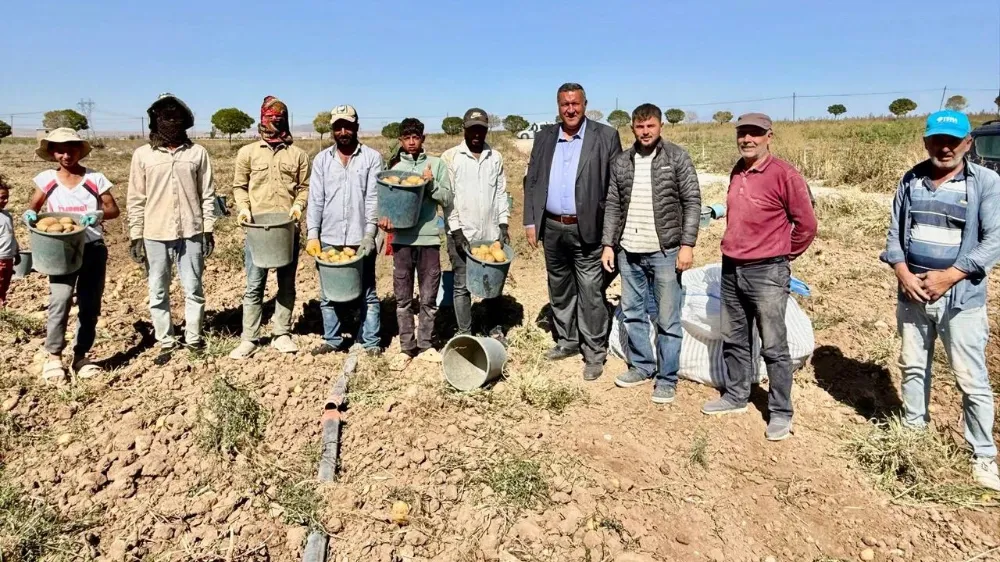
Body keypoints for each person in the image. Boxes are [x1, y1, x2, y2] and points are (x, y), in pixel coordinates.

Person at [881, 110, 1000, 491]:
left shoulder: (986, 182)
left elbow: (994, 241)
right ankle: (914, 435)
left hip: (961, 298)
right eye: (937, 140)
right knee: (913, 367)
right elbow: (894, 235)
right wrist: (903, 273)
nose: (945, 148)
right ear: (926, 142)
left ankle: (983, 454)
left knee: (970, 377)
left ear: (968, 143)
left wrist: (950, 276)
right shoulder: (911, 179)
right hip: (913, 294)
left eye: (953, 141)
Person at [701, 113, 817, 442]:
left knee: (774, 345)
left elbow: (807, 225)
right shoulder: (737, 170)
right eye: (743, 134)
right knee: (734, 337)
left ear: (769, 136)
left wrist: (781, 256)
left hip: (767, 271)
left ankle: (780, 412)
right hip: (731, 267)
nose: (747, 139)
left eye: (755, 134)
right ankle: (736, 396)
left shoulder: (784, 174)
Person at [601, 104, 701, 404]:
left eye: (650, 126)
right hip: (629, 251)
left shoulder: (677, 157)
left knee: (668, 319)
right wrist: (609, 244)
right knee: (633, 313)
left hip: (665, 251)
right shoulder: (622, 161)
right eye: (640, 126)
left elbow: (692, 201)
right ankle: (642, 366)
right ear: (632, 128)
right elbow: (613, 205)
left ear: (660, 127)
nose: (645, 132)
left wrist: (687, 244)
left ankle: (667, 378)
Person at [523, 83, 623, 381]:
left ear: (585, 104)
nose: (570, 109)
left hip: (588, 228)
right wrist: (530, 221)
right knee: (560, 286)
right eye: (565, 104)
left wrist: (611, 235)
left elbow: (616, 188)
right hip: (552, 226)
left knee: (591, 291)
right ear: (558, 106)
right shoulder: (545, 137)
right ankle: (568, 340)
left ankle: (594, 352)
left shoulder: (605, 136)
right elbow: (532, 180)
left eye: (575, 103)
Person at [23, 128, 120, 383]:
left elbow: (113, 209)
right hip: (60, 250)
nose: (66, 155)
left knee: (90, 304)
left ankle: (81, 356)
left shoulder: (95, 178)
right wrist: (30, 215)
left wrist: (98, 215)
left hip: (92, 247)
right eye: (60, 151)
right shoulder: (47, 178)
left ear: (80, 150)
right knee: (60, 299)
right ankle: (54, 356)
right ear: (53, 153)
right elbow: (34, 207)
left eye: (71, 149)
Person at [127, 93, 215, 364]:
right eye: (165, 117)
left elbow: (207, 195)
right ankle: (166, 341)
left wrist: (208, 229)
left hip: (191, 231)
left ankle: (194, 338)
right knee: (158, 290)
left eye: (176, 117)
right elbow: (136, 198)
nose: (171, 121)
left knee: (193, 288)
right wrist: (135, 235)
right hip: (155, 233)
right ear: (156, 120)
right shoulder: (143, 155)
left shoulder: (197, 153)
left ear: (185, 121)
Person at [228, 96, 310, 360]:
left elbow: (305, 187)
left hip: (287, 229)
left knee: (286, 283)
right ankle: (249, 338)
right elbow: (239, 186)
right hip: (257, 231)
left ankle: (281, 333)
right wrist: (243, 208)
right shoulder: (248, 153)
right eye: (270, 118)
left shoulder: (298, 155)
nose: (274, 122)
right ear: (262, 119)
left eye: (279, 118)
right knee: (254, 284)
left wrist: (298, 206)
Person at [306, 105, 381, 355]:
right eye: (338, 127)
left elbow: (373, 199)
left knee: (367, 291)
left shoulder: (371, 158)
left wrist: (370, 234)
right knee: (328, 293)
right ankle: (333, 339)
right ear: (332, 130)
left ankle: (370, 341)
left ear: (356, 127)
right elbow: (316, 200)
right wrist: (313, 234)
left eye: (347, 126)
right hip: (330, 237)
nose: (343, 131)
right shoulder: (322, 160)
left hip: (360, 238)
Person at [380, 118, 453, 363]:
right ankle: (406, 347)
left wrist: (430, 183)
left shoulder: (436, 164)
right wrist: (384, 220)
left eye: (416, 137)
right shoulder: (396, 168)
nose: (411, 142)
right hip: (402, 240)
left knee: (429, 297)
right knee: (403, 299)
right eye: (407, 138)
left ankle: (425, 345)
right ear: (400, 140)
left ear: (423, 138)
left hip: (429, 238)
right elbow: (385, 203)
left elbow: (447, 198)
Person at [441, 108, 509, 338]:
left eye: (481, 129)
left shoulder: (495, 157)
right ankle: (465, 332)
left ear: (487, 129)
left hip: (489, 234)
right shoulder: (451, 157)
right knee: (462, 285)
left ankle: (494, 329)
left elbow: (501, 193)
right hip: (462, 233)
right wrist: (456, 231)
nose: (477, 134)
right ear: (464, 129)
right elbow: (448, 199)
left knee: (493, 282)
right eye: (472, 129)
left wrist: (503, 224)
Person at [0, 177, 19, 308]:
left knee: (4, 286)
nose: (6, 201)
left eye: (7, 197)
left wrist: (16, 251)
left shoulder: (7, 215)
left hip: (8, 258)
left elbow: (11, 235)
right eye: (2, 198)